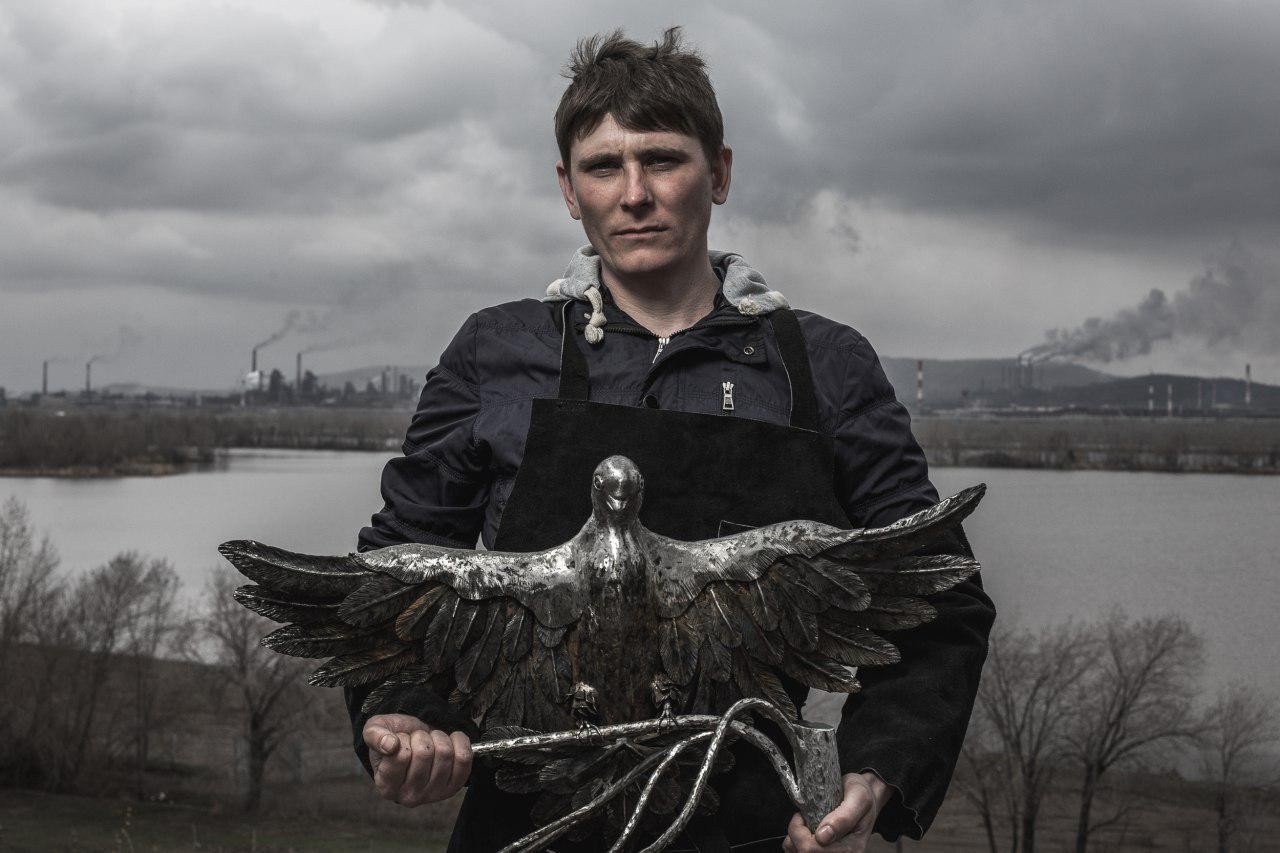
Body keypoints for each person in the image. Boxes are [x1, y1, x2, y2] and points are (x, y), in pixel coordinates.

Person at [348, 28, 995, 853]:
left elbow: (942, 595)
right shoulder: (496, 353)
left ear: (719, 173)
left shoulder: (824, 367)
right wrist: (406, 713)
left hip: (758, 829)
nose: (634, 193)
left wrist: (872, 774)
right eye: (603, 166)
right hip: (528, 826)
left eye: (662, 159)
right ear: (567, 189)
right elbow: (398, 570)